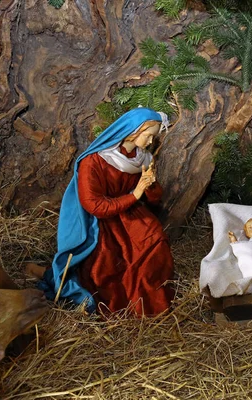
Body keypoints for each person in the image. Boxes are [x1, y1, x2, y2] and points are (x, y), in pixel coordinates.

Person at [36, 107, 175, 316]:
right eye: (148, 136)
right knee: (108, 262)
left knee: (154, 238)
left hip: (129, 213)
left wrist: (151, 185)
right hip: (101, 222)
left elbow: (154, 198)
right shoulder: (94, 161)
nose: (150, 143)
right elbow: (94, 206)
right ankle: (123, 301)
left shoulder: (143, 158)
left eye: (153, 138)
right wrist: (136, 194)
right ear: (133, 131)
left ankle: (150, 293)